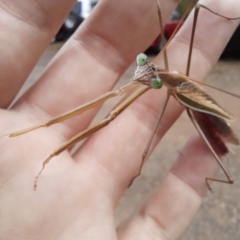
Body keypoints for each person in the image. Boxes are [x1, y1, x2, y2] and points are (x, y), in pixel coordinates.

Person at [0, 0, 239, 239]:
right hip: (187, 97)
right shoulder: (157, 75)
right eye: (143, 64)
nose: (144, 75)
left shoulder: (173, 86)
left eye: (152, 81)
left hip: (202, 111)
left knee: (125, 123)